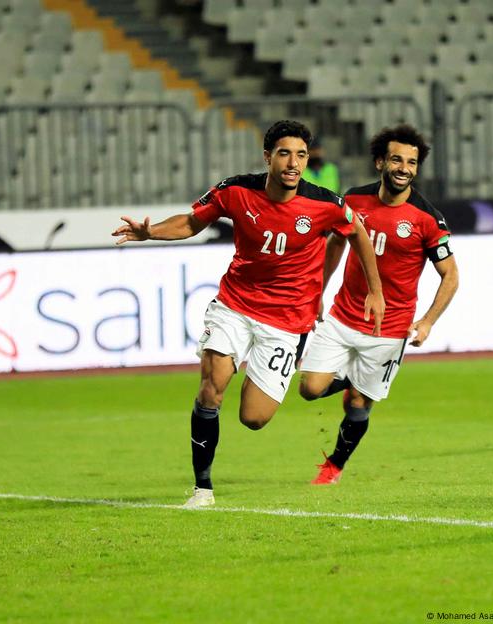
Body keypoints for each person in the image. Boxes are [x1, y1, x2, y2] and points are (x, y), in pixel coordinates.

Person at [112, 120, 385, 508]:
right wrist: (150, 231)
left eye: (301, 155)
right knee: (212, 386)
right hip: (235, 306)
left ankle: (279, 373)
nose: (293, 163)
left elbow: (357, 233)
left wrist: (375, 290)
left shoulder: (325, 204)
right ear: (268, 157)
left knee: (254, 418)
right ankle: (202, 488)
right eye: (285, 153)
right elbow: (192, 221)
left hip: (287, 321)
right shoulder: (235, 191)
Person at [298, 124, 459, 484]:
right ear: (379, 162)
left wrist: (428, 321)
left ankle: (334, 466)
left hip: (390, 330)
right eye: (397, 160)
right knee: (309, 389)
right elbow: (336, 245)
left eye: (412, 163)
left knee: (359, 404)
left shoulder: (427, 219)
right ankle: (349, 380)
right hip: (342, 316)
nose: (404, 168)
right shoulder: (353, 201)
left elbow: (451, 275)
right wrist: (317, 293)